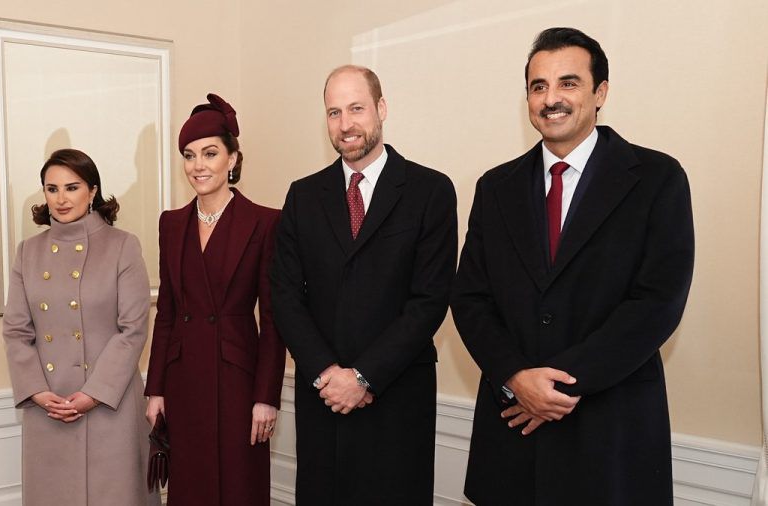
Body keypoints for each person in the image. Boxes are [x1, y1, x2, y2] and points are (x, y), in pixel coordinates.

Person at [450, 27, 695, 505]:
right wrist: (517, 378)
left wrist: (556, 387)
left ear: (600, 92)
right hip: (513, 428)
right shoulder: (495, 187)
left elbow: (658, 303)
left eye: (568, 83)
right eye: (538, 86)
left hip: (609, 432)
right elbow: (470, 298)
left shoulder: (657, 179)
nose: (551, 98)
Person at [271, 65, 458, 505]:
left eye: (356, 108)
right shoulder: (303, 195)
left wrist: (364, 376)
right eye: (334, 112)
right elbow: (284, 295)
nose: (345, 123)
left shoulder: (429, 190)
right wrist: (326, 373)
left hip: (396, 396)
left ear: (381, 109)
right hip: (323, 400)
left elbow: (429, 300)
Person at [144, 93, 286, 506]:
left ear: (233, 159)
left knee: (240, 488)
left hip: (240, 383)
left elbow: (274, 320)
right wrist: (156, 389)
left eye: (209, 153)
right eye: (189, 156)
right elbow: (166, 313)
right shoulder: (171, 224)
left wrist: (266, 397)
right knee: (191, 489)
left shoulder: (265, 222)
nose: (198, 166)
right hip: (183, 378)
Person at [2, 148, 159, 505]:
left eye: (71, 188)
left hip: (109, 405)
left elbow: (132, 328)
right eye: (51, 188)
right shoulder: (28, 252)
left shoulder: (123, 246)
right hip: (49, 406)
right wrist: (37, 392)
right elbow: (16, 331)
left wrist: (93, 393)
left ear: (92, 191)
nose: (61, 198)